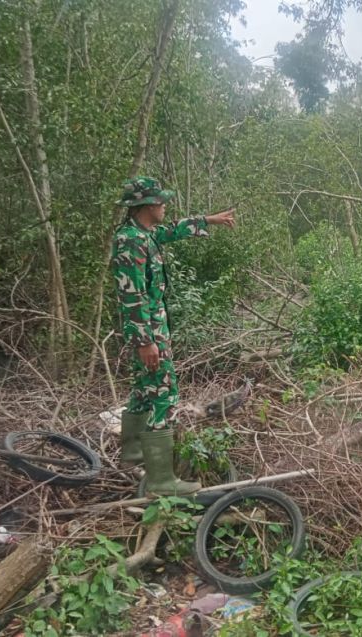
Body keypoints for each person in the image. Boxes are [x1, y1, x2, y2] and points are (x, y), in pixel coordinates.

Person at [112, 176, 235, 495]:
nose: (165, 205)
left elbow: (171, 230)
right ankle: (162, 481)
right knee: (164, 395)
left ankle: (135, 452)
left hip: (152, 330)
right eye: (161, 201)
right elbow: (132, 296)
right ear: (147, 206)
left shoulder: (145, 233)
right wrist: (146, 342)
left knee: (143, 389)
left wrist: (209, 220)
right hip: (148, 333)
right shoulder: (130, 241)